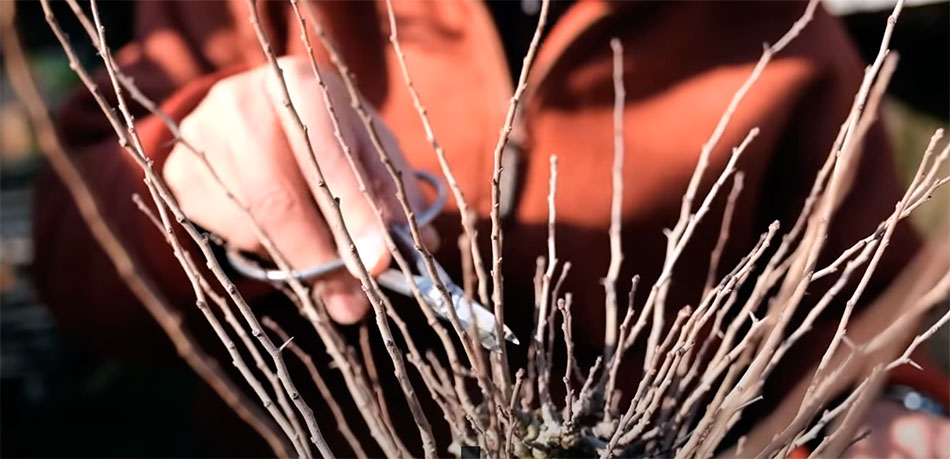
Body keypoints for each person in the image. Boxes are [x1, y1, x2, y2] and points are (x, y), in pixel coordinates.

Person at [32, 0, 946, 456]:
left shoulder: (778, 35)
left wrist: (897, 412)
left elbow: (862, 315)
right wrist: (184, 178)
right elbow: (73, 255)